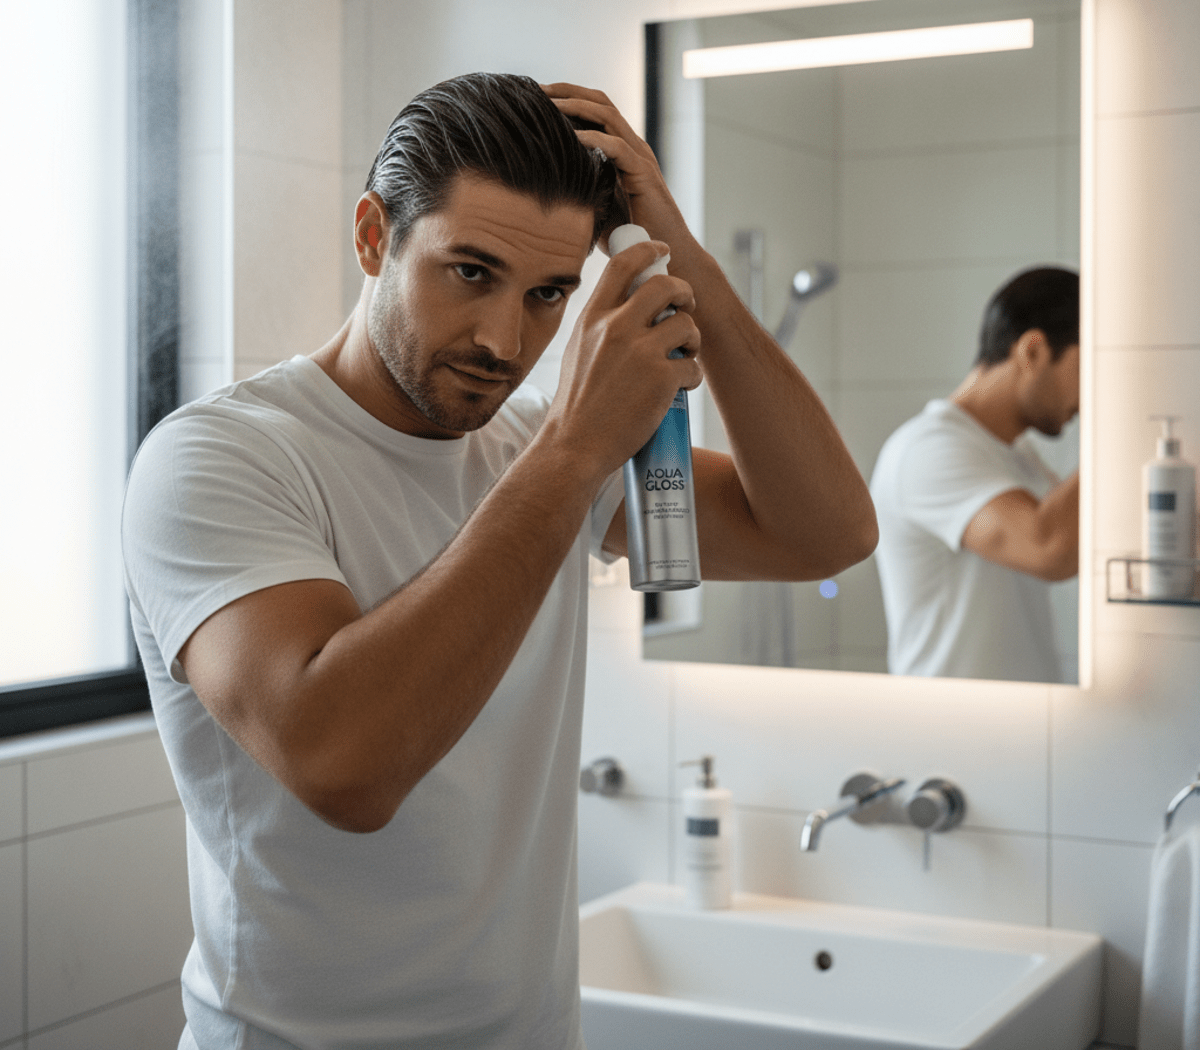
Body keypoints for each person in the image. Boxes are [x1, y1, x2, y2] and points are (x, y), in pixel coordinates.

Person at [122, 73, 877, 1050]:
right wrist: (568, 453)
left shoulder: (540, 447)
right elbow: (343, 765)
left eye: (548, 294)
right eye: (469, 272)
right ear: (371, 238)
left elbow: (826, 535)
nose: (504, 339)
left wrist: (681, 263)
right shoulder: (224, 456)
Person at [870, 266, 1080, 682]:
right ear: (1033, 351)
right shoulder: (928, 450)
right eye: (1088, 367)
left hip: (1015, 730)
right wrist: (1124, 420)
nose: (1093, 392)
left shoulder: (1016, 453)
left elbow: (1076, 544)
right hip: (952, 735)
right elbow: (1049, 548)